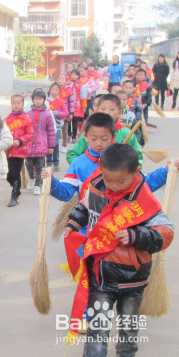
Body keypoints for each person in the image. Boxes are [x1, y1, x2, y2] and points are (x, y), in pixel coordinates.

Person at [64, 144, 174, 357]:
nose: (113, 186)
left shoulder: (143, 198)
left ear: (136, 171)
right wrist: (74, 223)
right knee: (97, 329)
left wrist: (136, 236)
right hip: (100, 274)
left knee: (128, 329)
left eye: (121, 181)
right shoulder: (96, 186)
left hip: (132, 278)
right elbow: (84, 208)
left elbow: (166, 232)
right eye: (108, 179)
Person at [42, 113, 169, 210]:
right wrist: (52, 181)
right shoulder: (79, 164)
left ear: (113, 137)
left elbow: (145, 184)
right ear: (85, 137)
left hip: (121, 225)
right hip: (89, 227)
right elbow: (65, 194)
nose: (98, 143)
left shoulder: (123, 159)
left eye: (104, 138)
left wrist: (166, 171)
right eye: (93, 138)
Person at [66, 94, 143, 166]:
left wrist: (128, 171)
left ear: (120, 113)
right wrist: (85, 167)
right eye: (103, 109)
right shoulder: (90, 133)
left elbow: (138, 157)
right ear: (97, 110)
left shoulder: (126, 134)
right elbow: (72, 155)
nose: (107, 112)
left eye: (112, 109)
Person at [25, 90, 56, 195]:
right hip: (29, 144)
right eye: (36, 99)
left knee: (40, 166)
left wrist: (51, 145)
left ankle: (38, 185)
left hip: (42, 144)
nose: (38, 101)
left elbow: (51, 130)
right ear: (33, 100)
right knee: (28, 163)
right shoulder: (28, 114)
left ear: (44, 100)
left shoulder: (47, 114)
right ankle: (31, 178)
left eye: (40, 99)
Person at [5, 94, 34, 207]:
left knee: (15, 173)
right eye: (14, 103)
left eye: (18, 103)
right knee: (8, 175)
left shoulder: (26, 119)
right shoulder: (7, 119)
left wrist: (20, 140)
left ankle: (15, 196)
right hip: (8, 150)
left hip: (20, 151)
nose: (16, 105)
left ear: (23, 104)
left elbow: (30, 134)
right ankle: (17, 188)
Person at [46, 82, 68, 171]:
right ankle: (48, 161)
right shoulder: (46, 101)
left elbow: (66, 113)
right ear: (50, 90)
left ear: (59, 91)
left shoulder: (62, 102)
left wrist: (57, 113)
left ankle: (56, 162)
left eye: (56, 90)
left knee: (55, 143)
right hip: (47, 126)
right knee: (48, 144)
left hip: (57, 126)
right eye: (53, 89)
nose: (54, 91)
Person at [70, 69, 88, 142]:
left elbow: (83, 96)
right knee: (68, 122)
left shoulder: (81, 85)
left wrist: (84, 106)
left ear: (78, 76)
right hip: (69, 105)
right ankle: (69, 135)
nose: (74, 76)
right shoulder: (69, 84)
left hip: (77, 106)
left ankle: (74, 137)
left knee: (75, 122)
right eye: (72, 74)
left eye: (75, 74)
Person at [58, 74, 74, 149]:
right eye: (60, 78)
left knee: (64, 131)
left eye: (63, 79)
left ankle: (64, 146)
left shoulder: (68, 90)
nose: (61, 80)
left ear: (66, 80)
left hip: (65, 113)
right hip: (56, 113)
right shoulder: (55, 89)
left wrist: (71, 112)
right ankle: (55, 145)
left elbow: (71, 102)